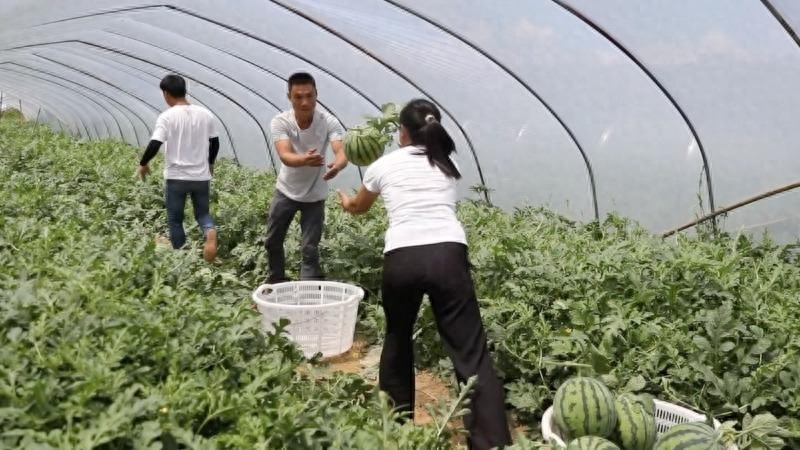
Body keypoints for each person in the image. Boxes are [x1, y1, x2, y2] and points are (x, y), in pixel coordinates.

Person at [336, 99, 512, 449]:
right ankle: (491, 441)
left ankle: (397, 432)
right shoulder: (448, 162)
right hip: (448, 254)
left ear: (401, 132)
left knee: (398, 339)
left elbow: (358, 207)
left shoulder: (382, 165)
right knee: (471, 351)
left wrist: (346, 203)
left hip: (402, 257)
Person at [265, 71, 347, 283]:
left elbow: (341, 151)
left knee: (309, 248)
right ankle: (276, 281)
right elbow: (285, 155)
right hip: (286, 191)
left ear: (316, 95)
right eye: (298, 97)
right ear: (289, 97)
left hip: (315, 196)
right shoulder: (280, 122)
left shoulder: (328, 121)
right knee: (273, 241)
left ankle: (307, 291)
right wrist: (304, 159)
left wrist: (337, 166)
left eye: (309, 96)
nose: (305, 102)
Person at [137, 74, 220, 263]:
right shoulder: (205, 114)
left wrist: (143, 163)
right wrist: (211, 164)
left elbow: (155, 143)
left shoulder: (167, 116)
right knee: (203, 214)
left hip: (176, 178)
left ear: (166, 93)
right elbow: (215, 142)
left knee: (175, 219)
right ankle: (210, 232)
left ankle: (180, 257)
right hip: (200, 177)